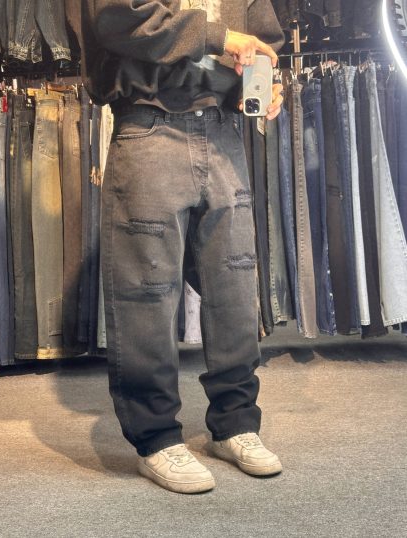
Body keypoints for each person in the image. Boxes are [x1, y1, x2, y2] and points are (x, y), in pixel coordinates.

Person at [79, 0, 286, 494]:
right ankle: (155, 438)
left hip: (223, 129)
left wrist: (261, 79)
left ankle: (236, 422)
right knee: (146, 290)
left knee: (234, 282)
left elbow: (263, 34)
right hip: (148, 122)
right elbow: (119, 16)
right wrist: (221, 37)